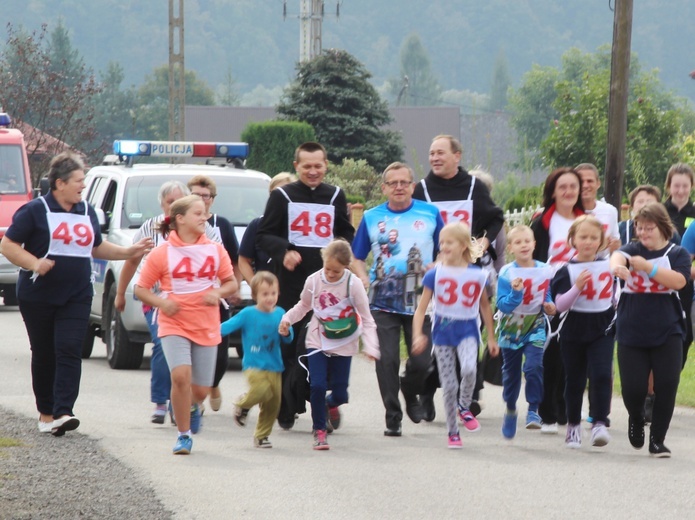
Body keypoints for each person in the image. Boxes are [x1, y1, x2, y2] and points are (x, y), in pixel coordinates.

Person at [0, 152, 151, 436]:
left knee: (69, 349)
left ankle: (63, 411)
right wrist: (35, 263)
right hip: (39, 295)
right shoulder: (34, 210)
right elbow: (8, 245)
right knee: (44, 353)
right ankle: (46, 413)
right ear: (60, 183)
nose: (84, 185)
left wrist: (128, 252)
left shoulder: (86, 211)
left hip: (77, 294)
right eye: (79, 180)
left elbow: (95, 247)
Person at [256, 143, 354, 430]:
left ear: (326, 165)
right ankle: (287, 406)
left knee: (313, 347)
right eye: (307, 166)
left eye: (318, 166)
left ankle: (316, 400)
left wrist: (343, 253)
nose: (313, 171)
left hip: (326, 287)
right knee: (288, 346)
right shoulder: (282, 195)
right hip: (290, 286)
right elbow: (264, 234)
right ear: (296, 166)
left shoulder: (335, 195)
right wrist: (285, 249)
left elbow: (344, 232)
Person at [134, 195, 237, 454]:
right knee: (180, 378)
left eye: (205, 213)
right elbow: (142, 289)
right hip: (173, 322)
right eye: (198, 213)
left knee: (200, 390)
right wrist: (161, 303)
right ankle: (183, 434)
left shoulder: (215, 249)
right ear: (180, 219)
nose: (205, 218)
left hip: (206, 323)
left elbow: (231, 283)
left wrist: (218, 293)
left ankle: (191, 405)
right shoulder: (162, 253)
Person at [413, 136, 505, 419]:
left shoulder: (474, 187)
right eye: (431, 153)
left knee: (468, 335)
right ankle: (428, 389)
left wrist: (484, 242)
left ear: (457, 156)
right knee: (439, 339)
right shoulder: (422, 189)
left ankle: (468, 395)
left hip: (469, 272)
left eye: (441, 153)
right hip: (436, 274)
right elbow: (414, 227)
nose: (435, 158)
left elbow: (495, 218)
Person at [352, 162, 444, 436]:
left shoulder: (430, 213)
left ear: (413, 186)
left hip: (421, 301)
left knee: (421, 361)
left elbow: (446, 248)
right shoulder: (371, 216)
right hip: (383, 300)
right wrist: (363, 278)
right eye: (393, 183)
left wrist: (437, 265)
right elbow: (357, 256)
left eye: (404, 182)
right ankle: (393, 415)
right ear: (384, 188)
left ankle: (410, 389)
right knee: (387, 359)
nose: (399, 187)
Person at [116, 181, 220, 425]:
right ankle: (162, 401)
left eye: (178, 202)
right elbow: (132, 260)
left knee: (192, 359)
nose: (173, 207)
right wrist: (121, 293)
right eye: (169, 203)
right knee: (163, 347)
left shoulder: (206, 230)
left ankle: (187, 402)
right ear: (162, 205)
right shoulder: (150, 228)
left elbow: (220, 263)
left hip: (196, 307)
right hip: (158, 302)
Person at [279, 239, 380, 450]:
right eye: (328, 269)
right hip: (317, 339)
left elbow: (367, 318)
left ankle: (329, 404)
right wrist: (287, 319)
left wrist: (371, 346)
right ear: (323, 261)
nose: (331, 274)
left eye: (336, 271)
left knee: (341, 393)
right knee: (317, 385)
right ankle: (319, 431)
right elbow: (303, 306)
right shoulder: (314, 281)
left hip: (344, 341)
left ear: (346, 266)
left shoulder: (353, 285)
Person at [610, 203, 690, 457]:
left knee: (667, 384)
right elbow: (618, 256)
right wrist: (617, 266)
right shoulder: (633, 249)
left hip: (668, 328)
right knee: (633, 388)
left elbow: (679, 281)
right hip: (632, 327)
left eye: (649, 228)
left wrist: (648, 268)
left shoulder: (677, 253)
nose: (643, 233)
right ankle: (635, 416)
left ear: (662, 227)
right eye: (639, 228)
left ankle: (657, 440)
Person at [411, 222, 499, 448]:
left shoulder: (478, 275)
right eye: (441, 242)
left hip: (468, 330)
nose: (443, 246)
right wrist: (417, 335)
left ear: (462, 246)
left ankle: (464, 406)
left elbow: (485, 308)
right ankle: (453, 432)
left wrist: (490, 337)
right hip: (442, 334)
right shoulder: (434, 275)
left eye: (448, 242)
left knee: (470, 368)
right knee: (449, 385)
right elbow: (421, 309)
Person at [551, 216, 615, 449]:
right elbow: (559, 305)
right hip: (573, 330)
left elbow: (615, 294)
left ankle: (599, 422)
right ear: (573, 240)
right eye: (583, 237)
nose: (588, 242)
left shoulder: (609, 265)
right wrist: (577, 286)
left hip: (602, 328)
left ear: (601, 241)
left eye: (593, 238)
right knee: (575, 380)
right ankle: (573, 426)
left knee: (600, 374)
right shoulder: (565, 270)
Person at [530, 167, 584, 434]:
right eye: (562, 187)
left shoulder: (587, 220)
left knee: (573, 352)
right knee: (549, 352)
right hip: (550, 289)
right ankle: (546, 410)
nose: (568, 192)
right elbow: (534, 256)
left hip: (581, 291)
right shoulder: (542, 222)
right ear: (552, 191)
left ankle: (566, 407)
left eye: (573, 186)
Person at [220, 271, 294, 448]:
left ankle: (261, 436)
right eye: (265, 294)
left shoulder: (281, 313)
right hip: (254, 365)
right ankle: (242, 405)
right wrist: (208, 332)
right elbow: (227, 327)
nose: (270, 298)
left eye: (273, 293)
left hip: (274, 366)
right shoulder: (248, 314)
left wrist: (286, 332)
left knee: (273, 403)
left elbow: (288, 338)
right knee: (261, 389)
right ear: (255, 296)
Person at [495, 225, 555, 439]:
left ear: (534, 244)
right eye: (518, 242)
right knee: (511, 375)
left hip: (535, 325)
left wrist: (549, 305)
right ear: (510, 247)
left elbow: (545, 293)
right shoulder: (506, 272)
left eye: (527, 241)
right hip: (511, 326)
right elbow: (502, 305)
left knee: (534, 366)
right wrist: (515, 293)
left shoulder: (544, 269)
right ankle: (510, 408)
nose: (523, 245)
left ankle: (533, 410)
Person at [188, 175, 241, 412]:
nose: (200, 200)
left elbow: (235, 261)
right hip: (190, 301)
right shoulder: (182, 225)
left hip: (217, 299)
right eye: (195, 195)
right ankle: (194, 399)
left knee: (220, 354)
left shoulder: (222, 225)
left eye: (205, 196)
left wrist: (234, 287)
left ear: (212, 199)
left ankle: (214, 383)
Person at [237, 172, 296, 285]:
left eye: (286, 192)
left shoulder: (301, 227)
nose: (281, 197)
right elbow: (243, 260)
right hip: (266, 297)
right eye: (276, 193)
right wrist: (256, 286)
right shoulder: (257, 225)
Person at [664, 163, 695, 369]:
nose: (681, 191)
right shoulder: (659, 212)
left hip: (686, 283)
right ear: (669, 187)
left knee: (685, 335)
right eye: (677, 186)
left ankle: (670, 379)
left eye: (685, 186)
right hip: (661, 277)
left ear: (692, 186)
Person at [575, 163, 621, 254]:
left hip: (601, 265)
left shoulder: (610, 211)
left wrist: (615, 246)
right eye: (581, 181)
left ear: (598, 183)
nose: (585, 185)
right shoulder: (567, 211)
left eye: (590, 181)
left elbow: (615, 243)